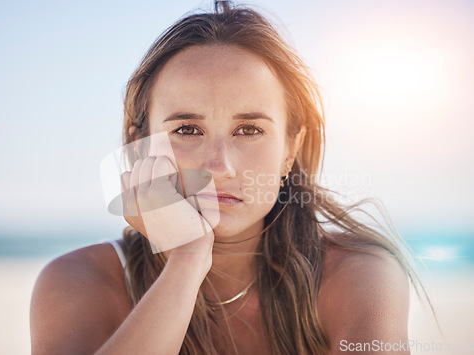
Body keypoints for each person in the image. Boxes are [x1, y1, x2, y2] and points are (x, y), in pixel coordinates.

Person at [30, 1, 424, 354]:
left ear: (290, 150)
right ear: (141, 146)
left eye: (249, 130)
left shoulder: (356, 275)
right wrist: (186, 259)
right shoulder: (79, 282)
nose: (220, 166)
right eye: (187, 129)